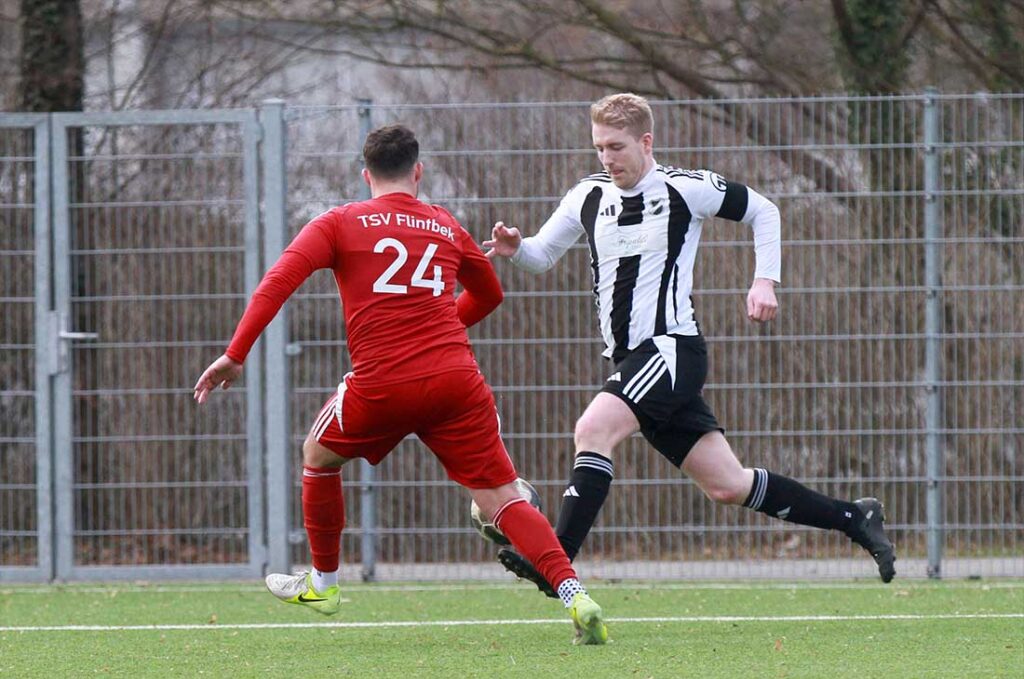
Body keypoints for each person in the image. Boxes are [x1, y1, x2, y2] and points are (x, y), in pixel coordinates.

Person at [193, 124, 607, 645]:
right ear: (418, 171)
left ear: (366, 175)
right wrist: (439, 330)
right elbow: (489, 294)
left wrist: (235, 355)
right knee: (503, 496)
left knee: (317, 456)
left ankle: (324, 585)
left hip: (382, 384)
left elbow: (278, 282)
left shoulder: (338, 222)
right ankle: (575, 596)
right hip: (457, 381)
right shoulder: (444, 224)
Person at [483, 93, 896, 596]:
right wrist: (515, 249)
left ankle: (557, 560)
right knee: (728, 484)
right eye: (599, 148)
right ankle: (855, 517)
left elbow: (764, 211)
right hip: (633, 360)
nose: (607, 158)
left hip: (671, 349)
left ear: (646, 142)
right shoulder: (586, 197)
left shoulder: (683, 188)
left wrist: (765, 280)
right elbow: (543, 255)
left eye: (616, 146)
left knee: (593, 429)